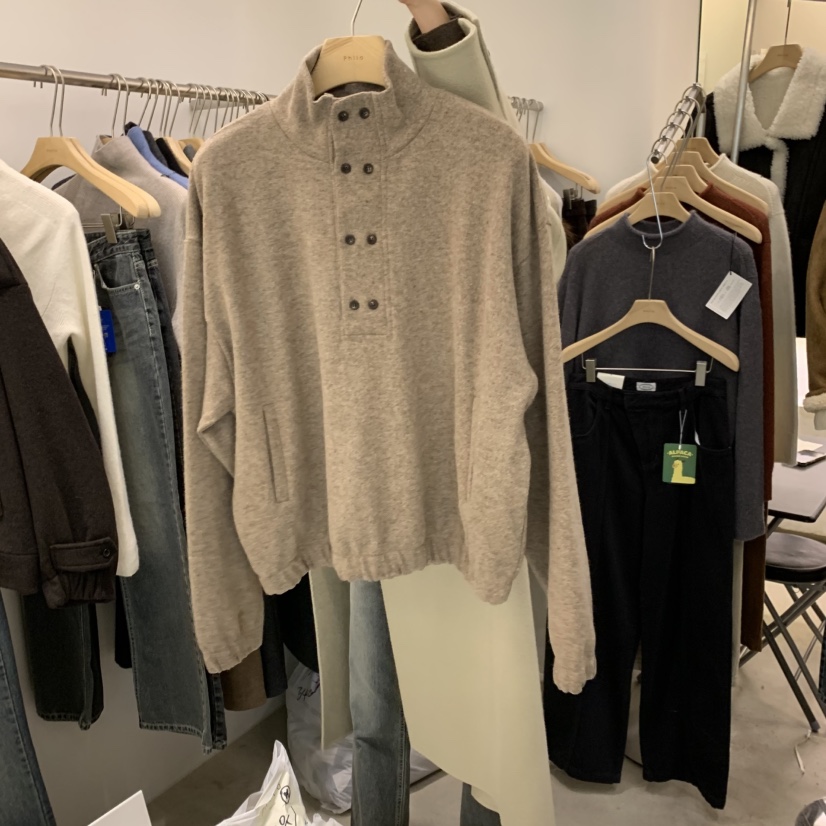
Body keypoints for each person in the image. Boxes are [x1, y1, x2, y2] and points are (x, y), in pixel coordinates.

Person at [346, 3, 566, 825]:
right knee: (376, 709)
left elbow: (527, 215)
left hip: (469, 477)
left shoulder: (483, 168)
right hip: (365, 477)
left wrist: (435, 25)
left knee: (490, 704)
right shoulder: (311, 176)